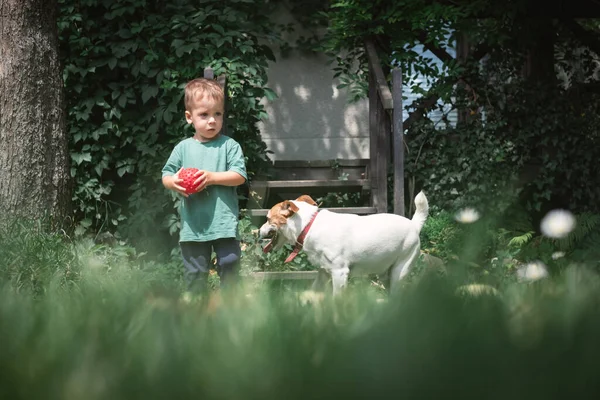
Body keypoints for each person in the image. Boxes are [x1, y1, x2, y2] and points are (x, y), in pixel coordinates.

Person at [162, 78, 247, 293]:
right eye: (204, 115)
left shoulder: (229, 146)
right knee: (195, 273)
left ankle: (230, 310)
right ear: (189, 117)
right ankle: (196, 314)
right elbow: (166, 174)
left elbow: (239, 176)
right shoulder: (183, 148)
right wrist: (175, 182)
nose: (212, 121)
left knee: (229, 265)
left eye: (217, 114)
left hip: (223, 223)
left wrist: (210, 177)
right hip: (194, 226)